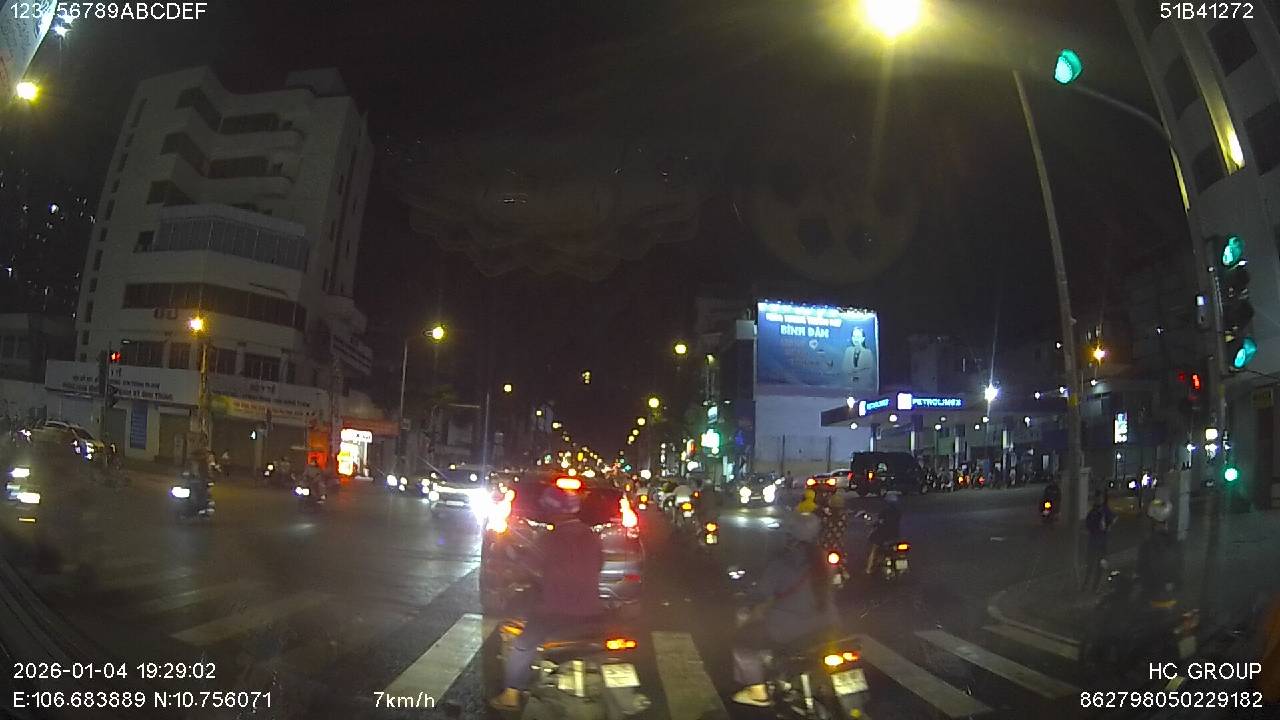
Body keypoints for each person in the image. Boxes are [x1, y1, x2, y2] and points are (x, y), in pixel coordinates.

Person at [490, 484, 604, 711]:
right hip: (592, 610)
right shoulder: (592, 536)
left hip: (556, 612)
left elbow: (526, 568)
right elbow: (599, 565)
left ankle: (511, 695)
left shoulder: (549, 539)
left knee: (523, 644)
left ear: (554, 511)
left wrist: (513, 562)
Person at [731, 512, 837, 706]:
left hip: (790, 630)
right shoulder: (824, 560)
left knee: (743, 644)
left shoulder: (783, 562)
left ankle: (758, 693)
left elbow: (761, 594)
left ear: (790, 534)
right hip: (828, 624)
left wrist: (749, 604)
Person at [1136, 498, 1182, 606]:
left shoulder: (1148, 544)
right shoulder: (1174, 541)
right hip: (1171, 595)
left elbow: (1141, 568)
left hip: (1153, 594)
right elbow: (1179, 566)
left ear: (1152, 522)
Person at [1082, 491, 1115, 591]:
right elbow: (1088, 524)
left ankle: (1095, 586)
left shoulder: (1105, 511)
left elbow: (1112, 520)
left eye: (1100, 498)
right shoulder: (1093, 511)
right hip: (1094, 540)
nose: (1099, 500)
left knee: (1100, 564)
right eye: (1097, 498)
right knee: (1091, 564)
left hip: (1102, 541)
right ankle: (1086, 584)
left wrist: (1108, 526)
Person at [864, 492, 902, 574]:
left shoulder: (885, 511)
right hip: (895, 535)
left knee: (874, 548)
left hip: (884, 535)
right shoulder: (897, 512)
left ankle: (869, 568)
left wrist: (874, 523)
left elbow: (879, 521)